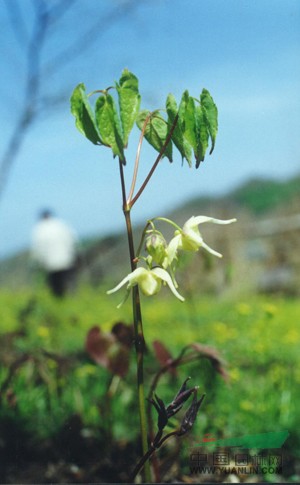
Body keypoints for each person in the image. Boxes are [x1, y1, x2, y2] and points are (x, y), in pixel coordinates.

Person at [31, 209, 78, 297]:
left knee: (56, 286)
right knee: (69, 281)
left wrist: (38, 262)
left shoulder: (39, 229)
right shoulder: (61, 224)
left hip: (50, 264)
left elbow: (38, 248)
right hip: (66, 259)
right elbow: (72, 239)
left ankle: (60, 301)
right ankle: (72, 298)